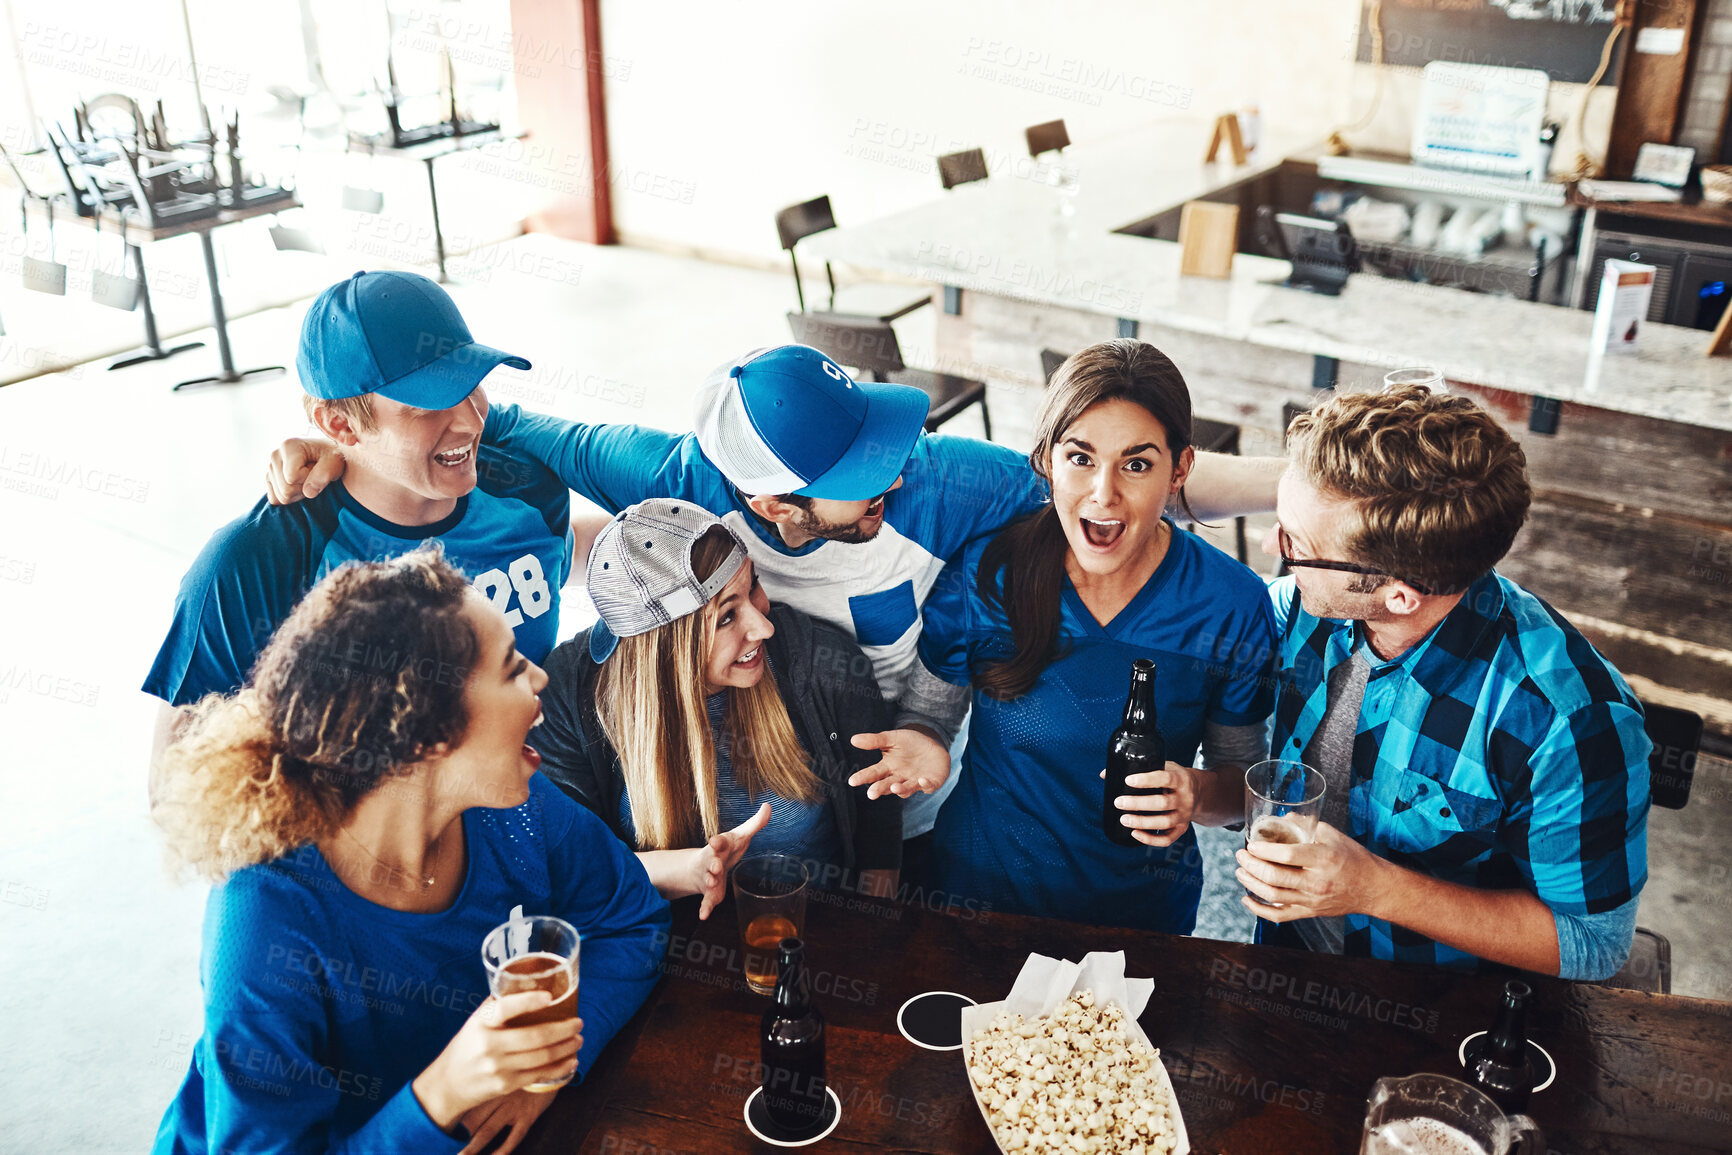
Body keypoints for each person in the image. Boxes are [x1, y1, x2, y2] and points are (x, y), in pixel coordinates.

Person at [264, 344, 1285, 861]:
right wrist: (332, 445)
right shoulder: (672, 476)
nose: (893, 471)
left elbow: (1124, 480)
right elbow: (503, 428)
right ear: (764, 497)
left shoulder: (942, 480)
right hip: (761, 742)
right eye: (860, 467)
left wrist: (1307, 497)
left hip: (922, 786)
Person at [150, 547, 668, 1155]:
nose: (541, 678)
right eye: (510, 669)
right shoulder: (264, 924)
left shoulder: (518, 806)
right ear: (427, 738)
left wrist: (545, 1070)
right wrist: (441, 1095)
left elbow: (631, 918)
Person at [1236, 384, 1651, 977]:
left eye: (1293, 544)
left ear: (1399, 595)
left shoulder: (1571, 723)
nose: (1274, 552)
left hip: (1442, 1014)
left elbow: (1594, 945)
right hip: (1285, 959)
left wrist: (1376, 888)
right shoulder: (1312, 605)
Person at [874, 340, 1278, 931]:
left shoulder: (1233, 605)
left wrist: (1194, 793)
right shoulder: (987, 572)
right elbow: (928, 718)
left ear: (1181, 469)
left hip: (1140, 921)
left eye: (1137, 464)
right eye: (1080, 458)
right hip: (974, 900)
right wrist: (922, 738)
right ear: (1046, 460)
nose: (1103, 493)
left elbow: (1241, 788)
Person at [144, 270, 573, 799]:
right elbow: (178, 789)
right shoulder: (257, 562)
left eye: (470, 386)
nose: (469, 421)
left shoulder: (530, 492)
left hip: (534, 828)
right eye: (428, 405)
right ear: (341, 426)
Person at [533, 500, 902, 906]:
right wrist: (680, 871)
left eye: (754, 587)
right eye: (727, 617)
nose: (764, 626)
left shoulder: (821, 662)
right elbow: (569, 866)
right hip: (659, 946)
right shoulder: (569, 693)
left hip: (814, 934)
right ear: (666, 648)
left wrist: (871, 938)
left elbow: (877, 834)